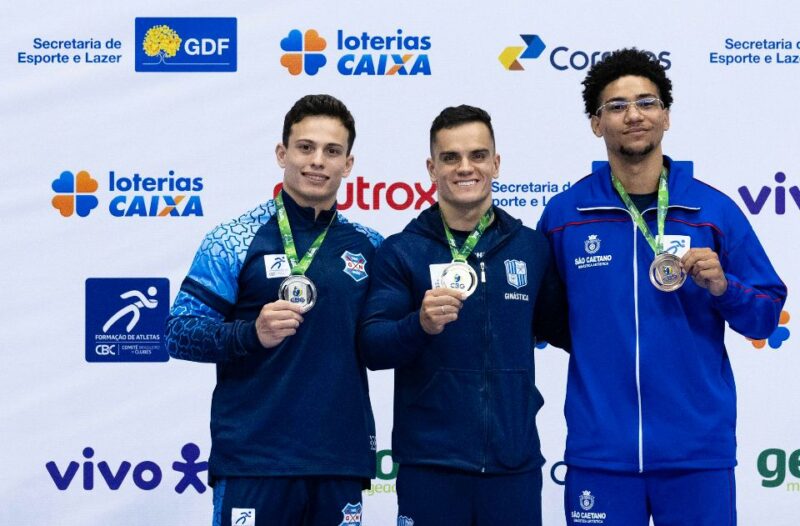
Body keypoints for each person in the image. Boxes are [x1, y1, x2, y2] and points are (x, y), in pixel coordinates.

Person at [537, 48, 787, 525]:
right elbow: (540, 318)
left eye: (647, 102)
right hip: (601, 454)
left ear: (666, 116)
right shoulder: (565, 217)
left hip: (696, 455)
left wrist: (724, 287)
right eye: (616, 106)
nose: (634, 115)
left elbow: (764, 313)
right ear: (596, 123)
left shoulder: (712, 211)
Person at [165, 94, 382, 526]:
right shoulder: (234, 238)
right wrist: (251, 333)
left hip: (337, 460)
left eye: (331, 151)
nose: (317, 161)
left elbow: (390, 339)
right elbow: (177, 332)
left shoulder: (371, 246)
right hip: (253, 459)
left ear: (348, 164)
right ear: (282, 153)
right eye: (305, 147)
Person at [359, 105, 569, 525]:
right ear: (431, 168)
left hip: (515, 464)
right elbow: (372, 346)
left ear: (496, 163)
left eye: (477, 155)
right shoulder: (402, 251)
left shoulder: (530, 247)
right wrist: (418, 324)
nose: (465, 167)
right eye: (450, 157)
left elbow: (566, 330)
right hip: (431, 466)